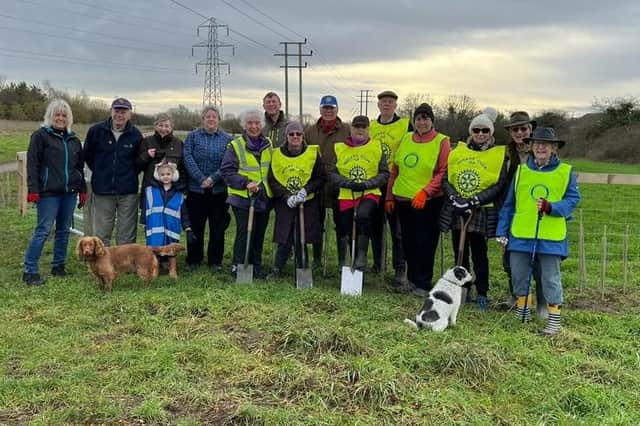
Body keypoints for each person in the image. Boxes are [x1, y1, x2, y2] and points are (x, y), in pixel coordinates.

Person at [496, 127, 580, 335]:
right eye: (537, 144)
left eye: (546, 144)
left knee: (550, 278)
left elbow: (572, 200)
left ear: (553, 148)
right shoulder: (521, 171)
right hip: (521, 234)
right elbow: (509, 204)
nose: (541, 147)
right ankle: (522, 312)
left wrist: (552, 208)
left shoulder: (565, 172)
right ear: (531, 147)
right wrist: (502, 230)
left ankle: (553, 322)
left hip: (551, 236)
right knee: (518, 275)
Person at [439, 110, 508, 310]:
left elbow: (499, 184)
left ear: (490, 132)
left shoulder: (497, 155)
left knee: (479, 253)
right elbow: (446, 177)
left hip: (480, 211)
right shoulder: (458, 151)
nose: (480, 134)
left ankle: (482, 291)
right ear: (471, 131)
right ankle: (463, 287)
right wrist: (455, 198)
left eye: (485, 130)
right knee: (459, 251)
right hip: (457, 208)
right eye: (476, 130)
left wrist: (474, 201)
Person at [386, 103, 451, 297]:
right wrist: (389, 196)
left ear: (432, 121)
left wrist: (426, 192)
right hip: (403, 200)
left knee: (425, 241)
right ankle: (412, 280)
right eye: (419, 118)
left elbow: (444, 171)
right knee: (408, 241)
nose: (422, 122)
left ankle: (423, 282)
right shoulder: (406, 138)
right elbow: (395, 169)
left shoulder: (441, 141)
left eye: (426, 118)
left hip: (428, 202)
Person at [23, 99, 86, 285]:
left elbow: (79, 168)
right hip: (48, 192)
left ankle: (58, 265)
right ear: (50, 116)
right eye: (57, 114)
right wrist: (33, 189)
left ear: (69, 118)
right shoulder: (40, 136)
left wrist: (82, 189)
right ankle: (30, 270)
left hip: (69, 192)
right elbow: (33, 164)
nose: (60, 118)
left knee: (64, 230)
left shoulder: (73, 140)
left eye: (64, 115)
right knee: (43, 230)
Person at [500, 111, 547, 315]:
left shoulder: (540, 151)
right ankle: (517, 297)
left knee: (540, 260)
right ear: (510, 132)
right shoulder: (505, 153)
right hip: (511, 211)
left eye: (524, 128)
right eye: (515, 129)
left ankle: (543, 303)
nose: (520, 132)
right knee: (510, 258)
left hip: (536, 212)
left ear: (531, 130)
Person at [329, 115, 389, 271]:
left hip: (369, 193)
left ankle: (361, 256)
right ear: (351, 129)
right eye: (357, 127)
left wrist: (367, 184)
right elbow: (333, 173)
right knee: (345, 225)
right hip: (347, 193)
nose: (360, 130)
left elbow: (384, 173)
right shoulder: (341, 148)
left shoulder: (377, 147)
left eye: (363, 127)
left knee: (363, 215)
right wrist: (347, 183)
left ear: (369, 129)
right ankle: (349, 259)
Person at [267, 121, 325, 276]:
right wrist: (286, 197)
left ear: (302, 136)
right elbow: (272, 179)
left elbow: (320, 177)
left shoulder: (312, 154)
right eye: (291, 134)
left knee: (301, 234)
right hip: (285, 201)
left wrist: (306, 190)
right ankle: (277, 267)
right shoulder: (277, 154)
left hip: (307, 201)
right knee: (285, 234)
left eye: (298, 134)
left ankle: (303, 266)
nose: (295, 136)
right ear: (286, 136)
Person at [221, 109, 273, 279]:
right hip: (242, 197)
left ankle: (256, 266)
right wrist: (245, 183)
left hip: (263, 196)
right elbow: (227, 171)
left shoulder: (268, 144)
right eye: (250, 123)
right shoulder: (235, 145)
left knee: (259, 233)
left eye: (257, 123)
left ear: (261, 125)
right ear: (244, 125)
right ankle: (239, 264)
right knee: (244, 231)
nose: (253, 126)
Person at [84, 97, 142, 245]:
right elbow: (88, 156)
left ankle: (124, 263)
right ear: (111, 111)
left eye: (124, 112)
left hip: (127, 191)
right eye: (117, 111)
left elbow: (139, 162)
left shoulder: (135, 135)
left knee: (126, 233)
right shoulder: (96, 131)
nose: (120, 115)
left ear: (129, 114)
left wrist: (127, 175)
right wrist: (101, 172)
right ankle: (103, 263)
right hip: (103, 190)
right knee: (102, 232)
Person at [369, 90, 413, 285]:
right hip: (375, 181)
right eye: (383, 102)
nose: (386, 105)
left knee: (398, 229)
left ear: (395, 106)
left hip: (395, 182)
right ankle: (378, 263)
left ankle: (400, 268)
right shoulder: (371, 126)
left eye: (390, 102)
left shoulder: (405, 125)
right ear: (378, 106)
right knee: (375, 226)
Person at [183, 105, 233, 271]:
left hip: (218, 191)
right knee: (196, 226)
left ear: (219, 119)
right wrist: (201, 178)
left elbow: (228, 162)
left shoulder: (227, 139)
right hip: (196, 190)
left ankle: (215, 261)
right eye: (208, 116)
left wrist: (213, 178)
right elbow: (188, 157)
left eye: (214, 117)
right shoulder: (192, 137)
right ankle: (194, 259)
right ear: (202, 119)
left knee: (217, 227)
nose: (211, 119)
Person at [305, 95, 351, 269]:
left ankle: (342, 262)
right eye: (325, 108)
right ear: (320, 110)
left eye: (331, 108)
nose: (328, 111)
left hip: (340, 185)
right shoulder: (309, 132)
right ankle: (316, 260)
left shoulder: (347, 130)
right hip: (318, 184)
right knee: (317, 223)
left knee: (342, 225)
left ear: (337, 110)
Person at [143, 162, 192, 271]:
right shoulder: (150, 191)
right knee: (154, 248)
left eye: (168, 174)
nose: (165, 176)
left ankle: (172, 270)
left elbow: (183, 213)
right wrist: (144, 225)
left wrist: (187, 227)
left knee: (171, 249)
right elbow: (145, 209)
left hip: (171, 228)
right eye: (163, 174)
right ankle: (154, 268)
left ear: (174, 175)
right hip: (155, 227)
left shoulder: (179, 194)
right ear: (158, 176)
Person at [137, 113, 186, 204]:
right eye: (160, 125)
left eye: (167, 126)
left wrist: (182, 187)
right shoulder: (147, 141)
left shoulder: (178, 143)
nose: (163, 129)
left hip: (172, 191)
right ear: (155, 126)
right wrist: (147, 155)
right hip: (150, 189)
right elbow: (138, 165)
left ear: (171, 128)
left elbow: (183, 168)